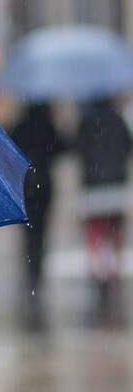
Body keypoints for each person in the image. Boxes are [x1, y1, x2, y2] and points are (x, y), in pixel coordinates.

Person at [8, 102, 67, 327]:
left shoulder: (20, 126)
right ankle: (37, 270)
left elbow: (7, 147)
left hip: (25, 188)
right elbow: (63, 148)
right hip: (44, 186)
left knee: (28, 232)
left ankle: (30, 269)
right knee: (41, 231)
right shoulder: (48, 126)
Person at [76, 98, 132, 323]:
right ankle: (113, 272)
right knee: (114, 229)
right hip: (115, 183)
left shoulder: (86, 123)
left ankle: (99, 272)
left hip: (93, 185)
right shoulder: (118, 121)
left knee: (96, 231)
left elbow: (77, 148)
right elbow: (128, 147)